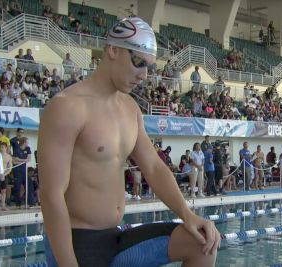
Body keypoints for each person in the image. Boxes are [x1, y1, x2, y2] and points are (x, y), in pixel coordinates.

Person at [38, 17, 219, 267]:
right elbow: (50, 194)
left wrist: (187, 215)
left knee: (203, 243)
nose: (144, 75)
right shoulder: (67, 107)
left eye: (149, 68)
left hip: (116, 236)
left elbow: (154, 168)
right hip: (78, 241)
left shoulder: (130, 108)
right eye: (138, 63)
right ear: (113, 50)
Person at [0, 142, 12, 211]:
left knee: (4, 190)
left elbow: (10, 168)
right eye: (0, 147)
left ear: (6, 148)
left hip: (4, 175)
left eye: (3, 147)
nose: (1, 148)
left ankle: (3, 205)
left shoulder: (9, 156)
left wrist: (4, 174)